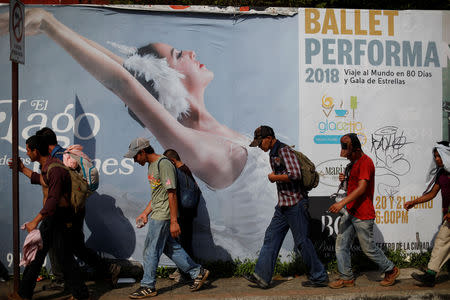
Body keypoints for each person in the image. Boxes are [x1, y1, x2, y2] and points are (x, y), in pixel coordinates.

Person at [0, 8, 280, 259]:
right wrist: (50, 25)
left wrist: (53, 24)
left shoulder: (203, 134)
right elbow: (123, 82)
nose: (192, 53)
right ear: (166, 80)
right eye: (179, 55)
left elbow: (128, 73)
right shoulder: (201, 147)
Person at [244, 125, 329, 289]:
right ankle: (261, 276)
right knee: (271, 237)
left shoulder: (283, 151)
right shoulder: (273, 153)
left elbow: (295, 174)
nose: (260, 146)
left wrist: (275, 177)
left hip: (296, 204)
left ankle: (319, 276)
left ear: (269, 138)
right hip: (283, 205)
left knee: (303, 241)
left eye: (260, 142)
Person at [36, 127, 121, 288]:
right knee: (74, 245)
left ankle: (63, 280)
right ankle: (107, 269)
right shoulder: (65, 154)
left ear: (45, 145)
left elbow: (59, 189)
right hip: (75, 208)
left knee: (62, 244)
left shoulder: (59, 159)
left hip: (68, 210)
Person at [125, 137, 209, 298]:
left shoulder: (164, 164)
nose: (134, 161)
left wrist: (174, 221)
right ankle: (197, 272)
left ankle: (148, 286)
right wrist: (145, 212)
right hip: (158, 212)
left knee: (151, 250)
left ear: (142, 152)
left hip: (163, 215)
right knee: (170, 247)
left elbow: (172, 193)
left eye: (135, 156)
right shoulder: (152, 166)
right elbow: (158, 194)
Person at [8, 135, 89, 300]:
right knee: (40, 256)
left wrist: (35, 222)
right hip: (53, 217)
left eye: (28, 150)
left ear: (36, 151)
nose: (28, 153)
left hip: (59, 217)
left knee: (64, 258)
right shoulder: (48, 167)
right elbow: (42, 180)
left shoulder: (55, 169)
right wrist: (22, 168)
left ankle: (81, 295)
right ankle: (24, 294)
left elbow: (53, 200)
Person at [327, 133, 399, 288]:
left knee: (368, 249)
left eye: (348, 153)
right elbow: (352, 187)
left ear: (355, 149)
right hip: (351, 211)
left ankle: (391, 269)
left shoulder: (366, 162)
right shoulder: (353, 164)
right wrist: (345, 179)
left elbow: (362, 189)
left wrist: (341, 204)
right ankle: (347, 278)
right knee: (341, 245)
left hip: (363, 214)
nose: (346, 156)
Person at [404, 141, 450, 287]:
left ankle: (430, 275)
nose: (437, 159)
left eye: (439, 156)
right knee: (442, 241)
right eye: (435, 156)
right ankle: (430, 276)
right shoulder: (441, 174)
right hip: (448, 217)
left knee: (442, 241)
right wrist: (414, 202)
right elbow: (432, 193)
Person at [163, 149, 200, 282]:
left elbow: (173, 193)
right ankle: (184, 270)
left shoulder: (179, 171)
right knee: (185, 242)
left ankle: (187, 273)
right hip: (189, 211)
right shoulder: (186, 169)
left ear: (172, 161)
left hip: (183, 212)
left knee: (184, 243)